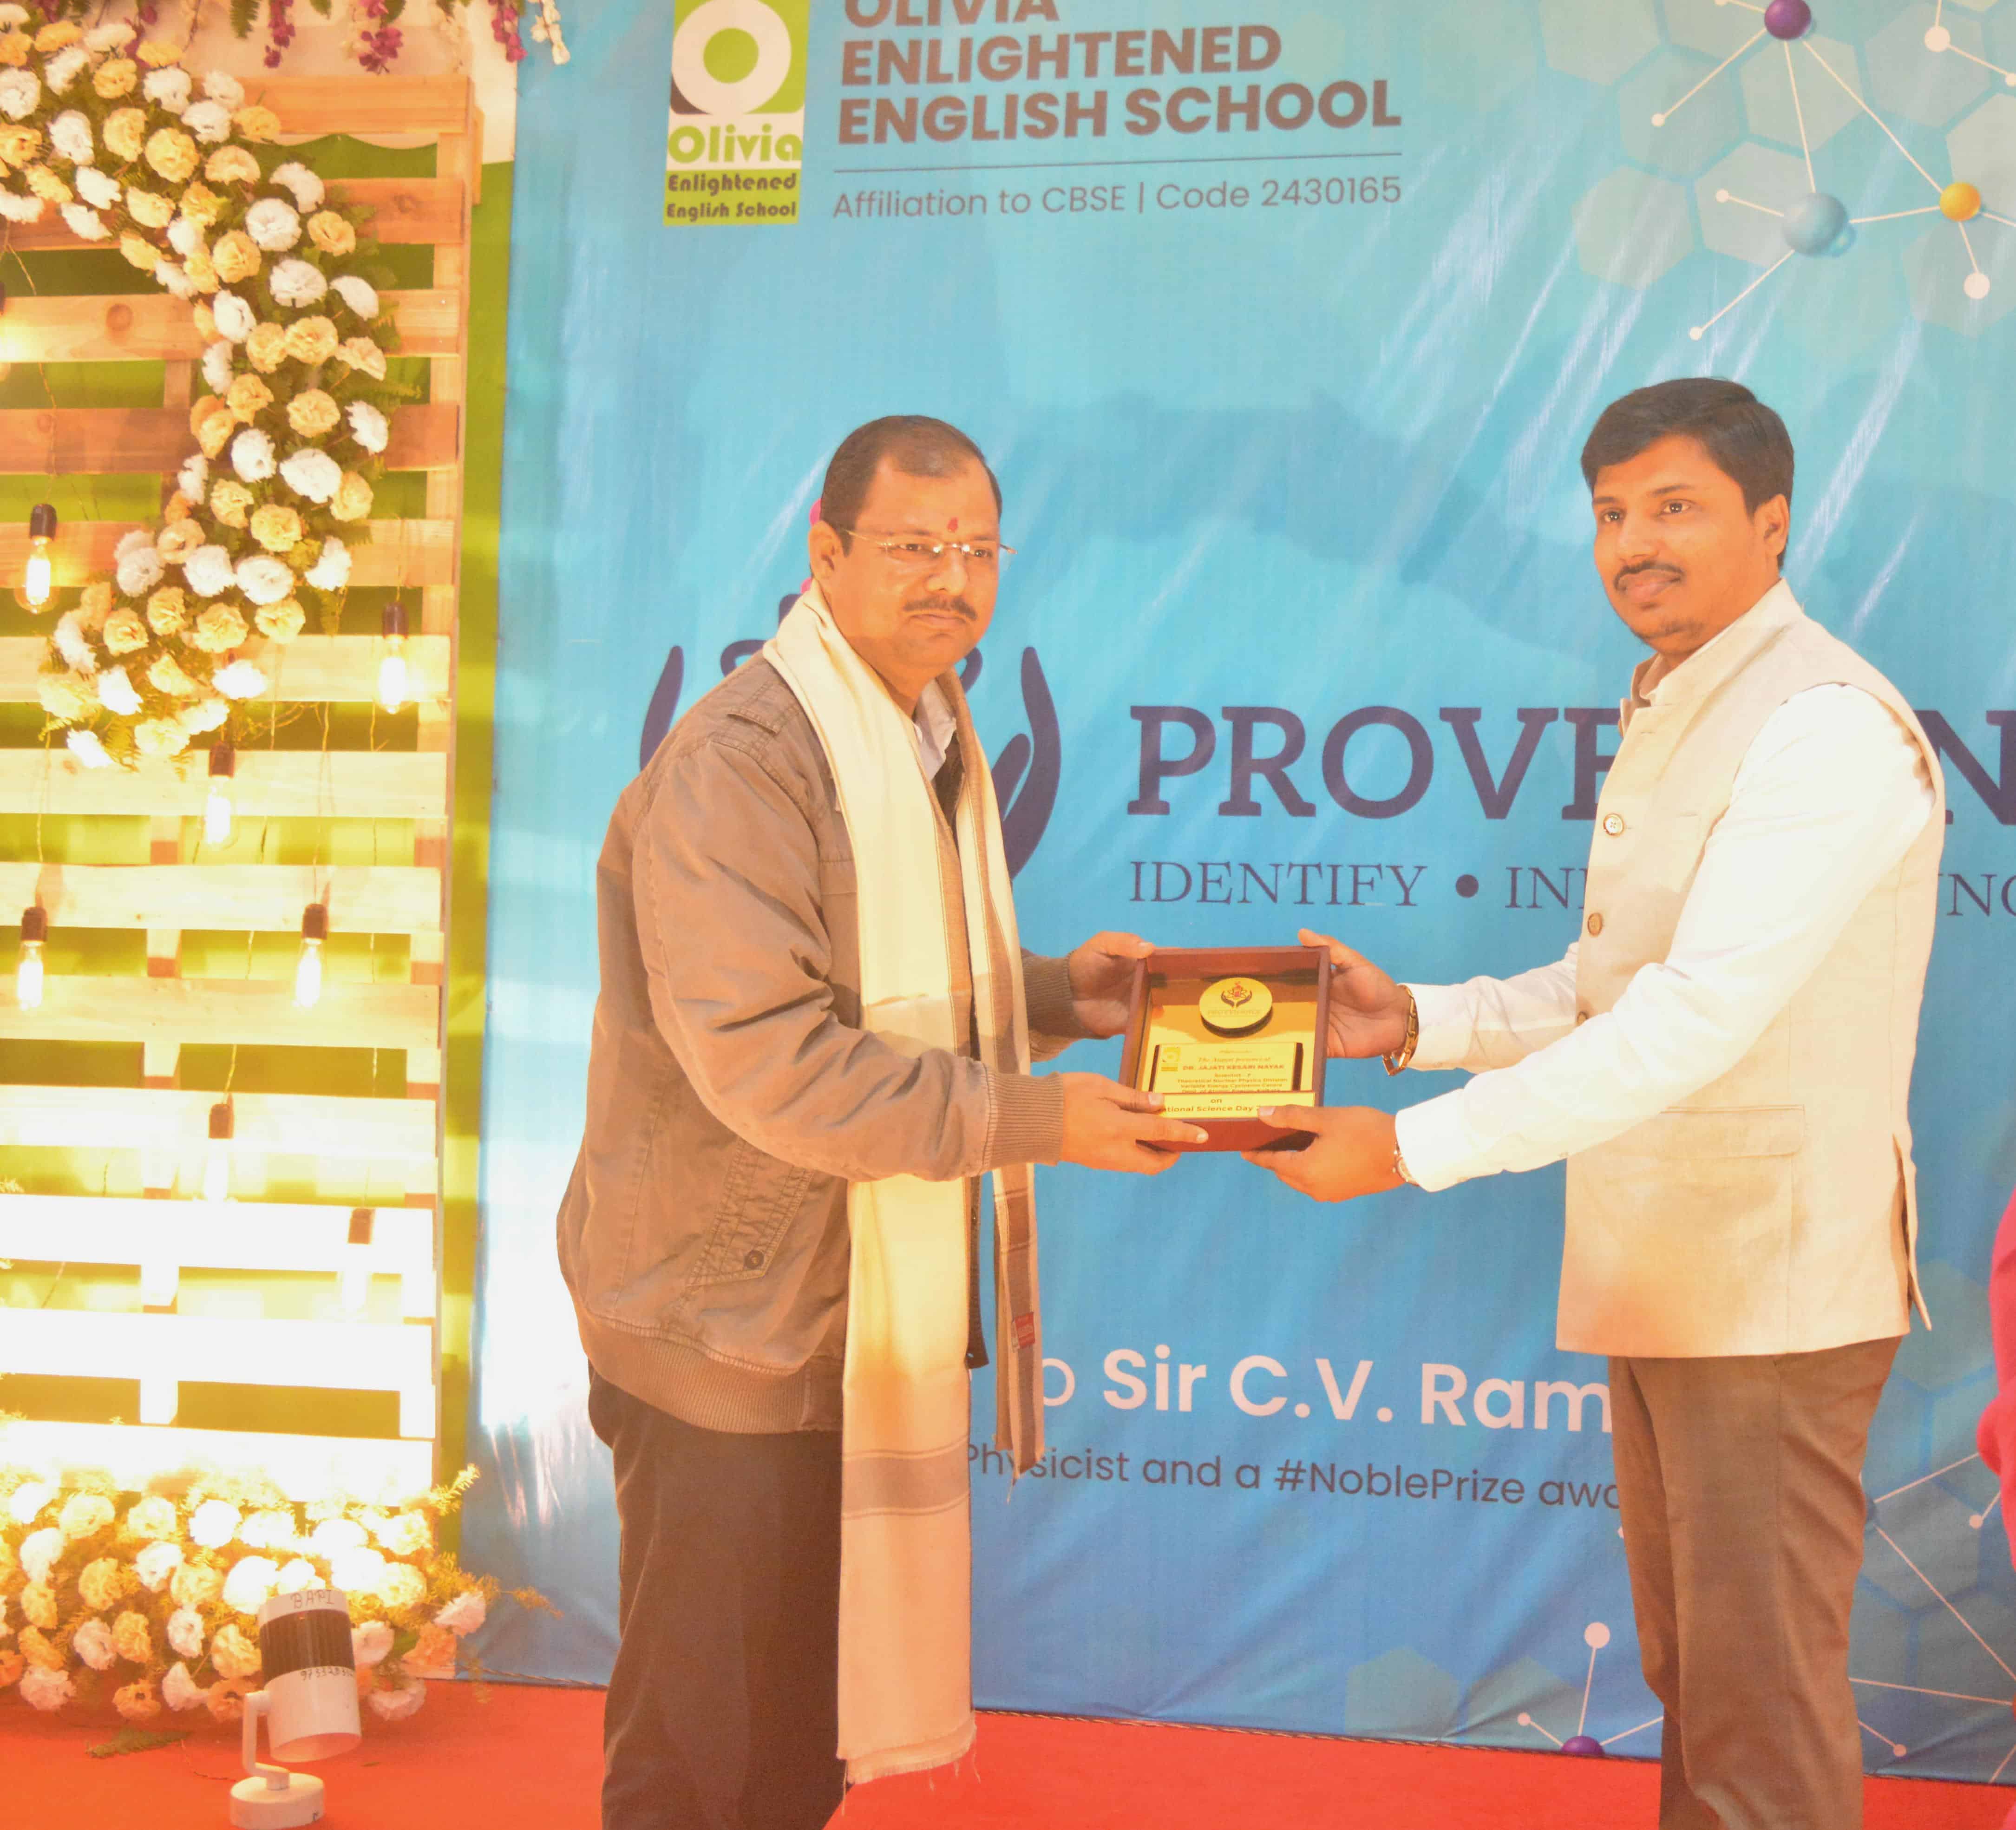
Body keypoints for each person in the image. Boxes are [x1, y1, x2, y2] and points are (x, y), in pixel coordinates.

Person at [1244, 379, 1943, 1830]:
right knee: (1703, 1684)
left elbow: (1690, 1017)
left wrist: (1410, 1148)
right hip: (1673, 1274)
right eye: (1611, 514)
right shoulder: (1683, 695)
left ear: (1771, 522)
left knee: (1754, 1707)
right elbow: (1615, 983)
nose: (1631, 544)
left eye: (1672, 507)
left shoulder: (1821, 725)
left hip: (1768, 1293)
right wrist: (1417, 1022)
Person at [556, 414, 1203, 1830]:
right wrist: (1034, 1117)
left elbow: (885, 985)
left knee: (798, 1741)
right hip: (726, 1325)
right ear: (826, 552)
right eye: (912, 545)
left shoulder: (919, 731)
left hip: (831, 1313)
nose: (949, 579)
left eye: (976, 549)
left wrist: (1056, 994)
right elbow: (773, 1064)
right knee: (703, 1749)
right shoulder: (746, 761)